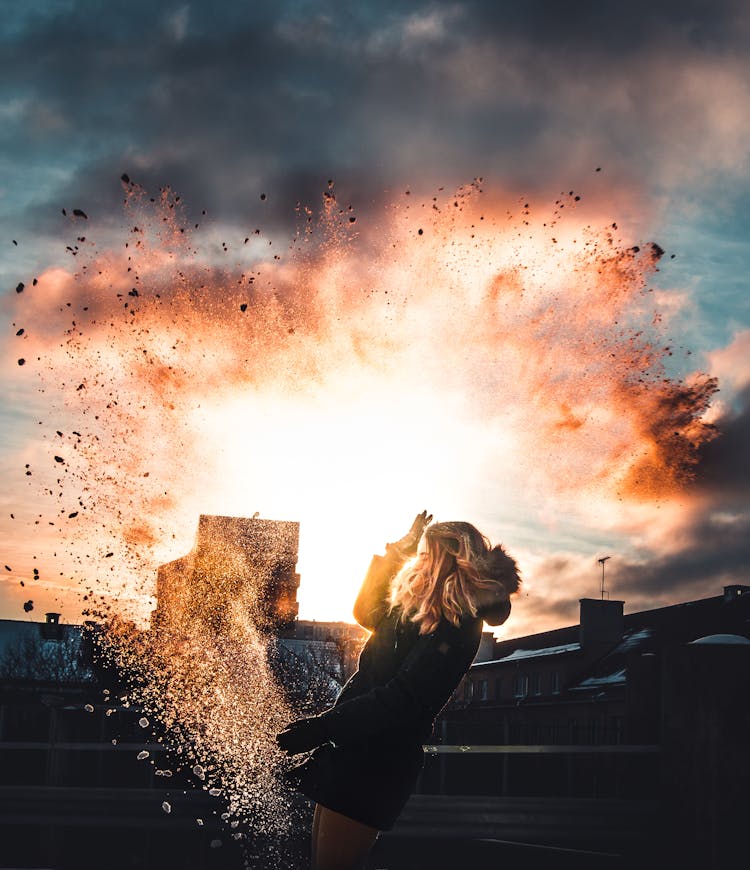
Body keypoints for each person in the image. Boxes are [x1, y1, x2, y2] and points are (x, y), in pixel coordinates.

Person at [276, 511, 521, 870]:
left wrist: (323, 727)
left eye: (423, 555)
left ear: (446, 561)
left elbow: (402, 698)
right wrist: (396, 552)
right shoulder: (418, 608)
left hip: (378, 761)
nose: (417, 562)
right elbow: (365, 611)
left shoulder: (459, 624)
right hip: (354, 748)